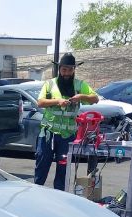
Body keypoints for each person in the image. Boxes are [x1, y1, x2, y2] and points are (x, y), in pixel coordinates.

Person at [35, 53, 99, 191]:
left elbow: (95, 99)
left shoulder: (79, 85)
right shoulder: (49, 84)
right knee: (42, 165)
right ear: (59, 69)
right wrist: (57, 101)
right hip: (48, 134)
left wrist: (81, 96)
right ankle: (36, 194)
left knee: (63, 169)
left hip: (67, 136)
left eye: (70, 70)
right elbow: (40, 102)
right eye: (64, 69)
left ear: (74, 70)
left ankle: (60, 198)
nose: (67, 73)